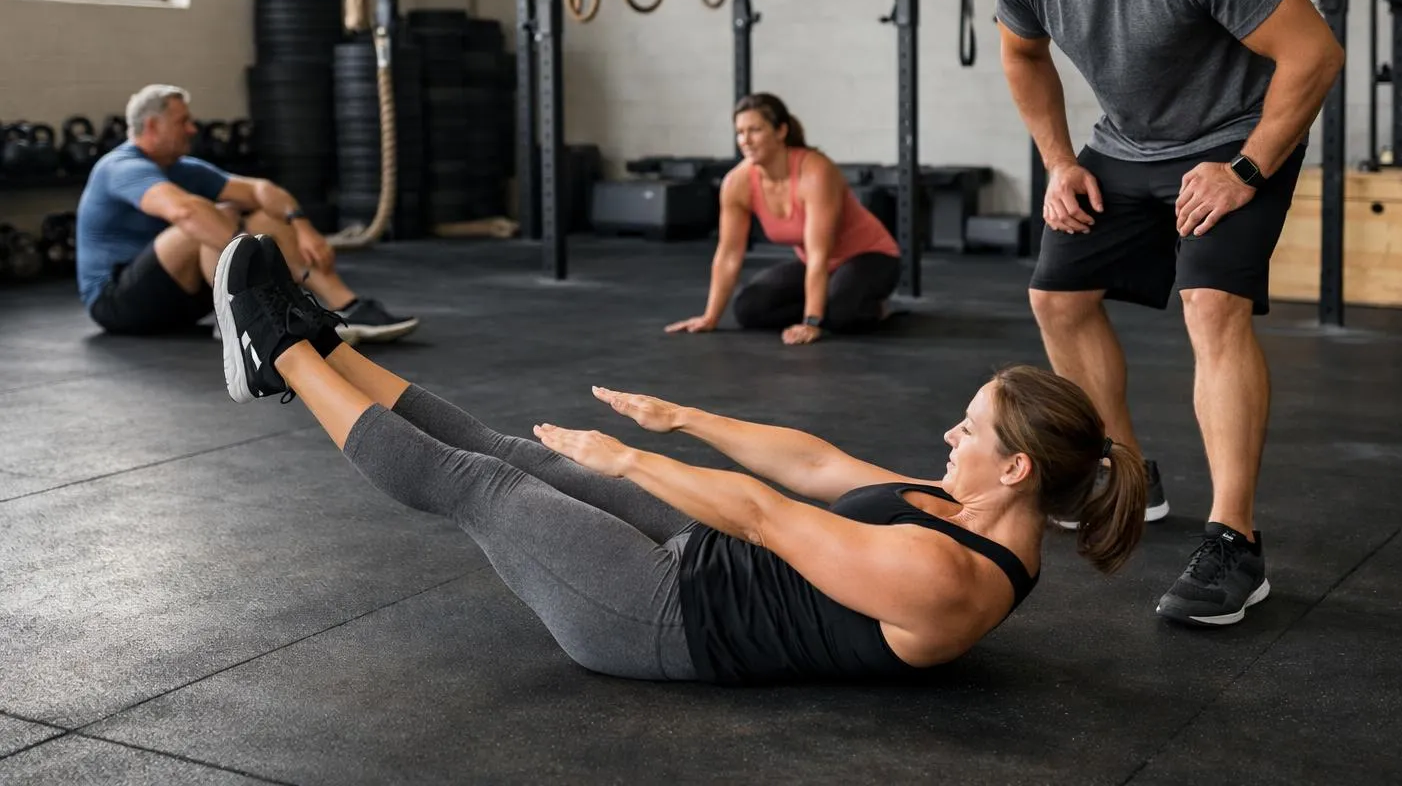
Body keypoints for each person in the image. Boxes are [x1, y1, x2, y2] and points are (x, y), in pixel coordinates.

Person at [211, 232, 1147, 684]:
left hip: (663, 619)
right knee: (507, 450)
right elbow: (814, 464)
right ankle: (328, 350)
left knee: (481, 484)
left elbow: (767, 514)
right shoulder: (963, 507)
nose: (949, 437)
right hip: (702, 560)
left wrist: (624, 461)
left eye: (970, 430)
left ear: (1017, 469)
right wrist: (680, 416)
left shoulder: (949, 578)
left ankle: (277, 352)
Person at [987, 0, 1345, 627]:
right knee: (1056, 295)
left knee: (1211, 306)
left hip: (1236, 138)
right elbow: (1022, 52)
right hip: (1128, 143)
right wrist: (1061, 162)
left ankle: (1235, 542)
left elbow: (1314, 52)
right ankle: (1126, 472)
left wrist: (1247, 169)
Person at [75, 84, 418, 343]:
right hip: (117, 304)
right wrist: (257, 260)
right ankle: (254, 320)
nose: (193, 129)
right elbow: (184, 211)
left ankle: (347, 306)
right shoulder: (120, 167)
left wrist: (302, 226)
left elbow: (260, 190)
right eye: (184, 122)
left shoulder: (182, 167)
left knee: (261, 213)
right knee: (204, 215)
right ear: (152, 127)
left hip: (179, 298)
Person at [667, 94, 902, 346]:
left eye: (755, 130)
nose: (745, 140)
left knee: (840, 315)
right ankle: (830, 301)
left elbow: (818, 253)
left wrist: (811, 322)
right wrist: (710, 317)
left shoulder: (815, 172)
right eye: (740, 132)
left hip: (871, 256)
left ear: (781, 131)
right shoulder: (737, 183)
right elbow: (728, 254)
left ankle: (873, 307)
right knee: (749, 308)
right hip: (820, 265)